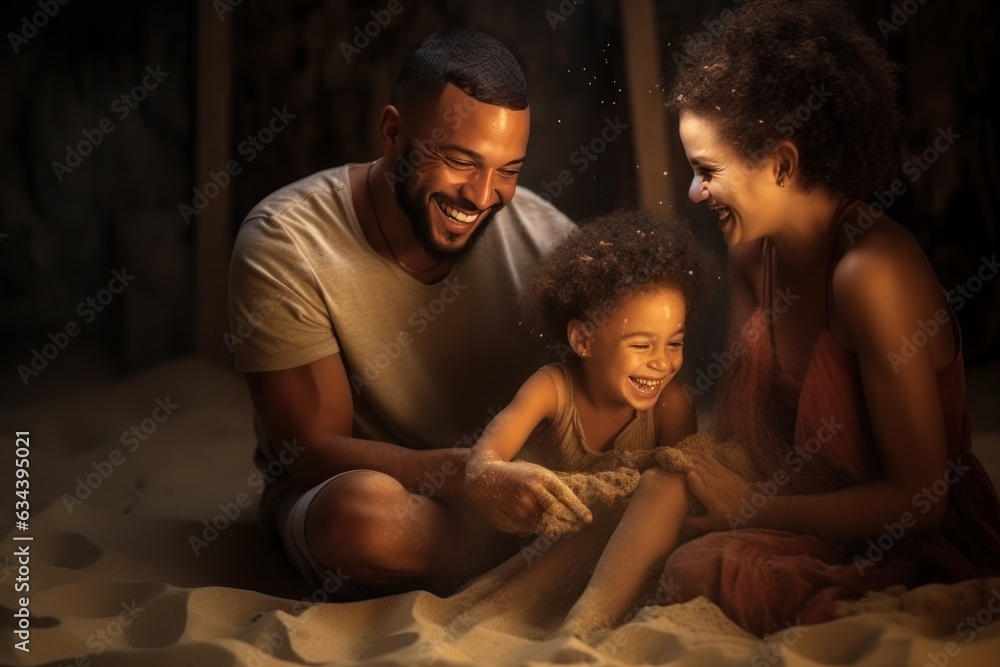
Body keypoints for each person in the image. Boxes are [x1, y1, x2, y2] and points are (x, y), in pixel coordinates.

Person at [617, 0, 1000, 637]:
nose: (693, 193)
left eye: (707, 171)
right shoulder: (749, 251)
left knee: (697, 567)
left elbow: (921, 502)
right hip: (791, 505)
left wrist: (753, 511)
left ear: (784, 164)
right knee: (655, 500)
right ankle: (572, 625)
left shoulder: (871, 274)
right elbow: (747, 434)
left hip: (898, 538)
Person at [227, 28, 578, 597]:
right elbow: (311, 454)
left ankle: (526, 550)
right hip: (366, 496)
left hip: (518, 492)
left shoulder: (553, 245)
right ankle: (538, 559)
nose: (483, 194)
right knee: (362, 520)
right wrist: (477, 478)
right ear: (393, 132)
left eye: (509, 171)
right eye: (460, 161)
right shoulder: (286, 240)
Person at [465, 211, 713, 538]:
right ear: (583, 340)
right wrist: (504, 481)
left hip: (614, 547)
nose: (662, 362)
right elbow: (480, 464)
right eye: (641, 346)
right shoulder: (549, 390)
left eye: (674, 343)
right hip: (532, 542)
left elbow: (679, 496)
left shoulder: (672, 404)